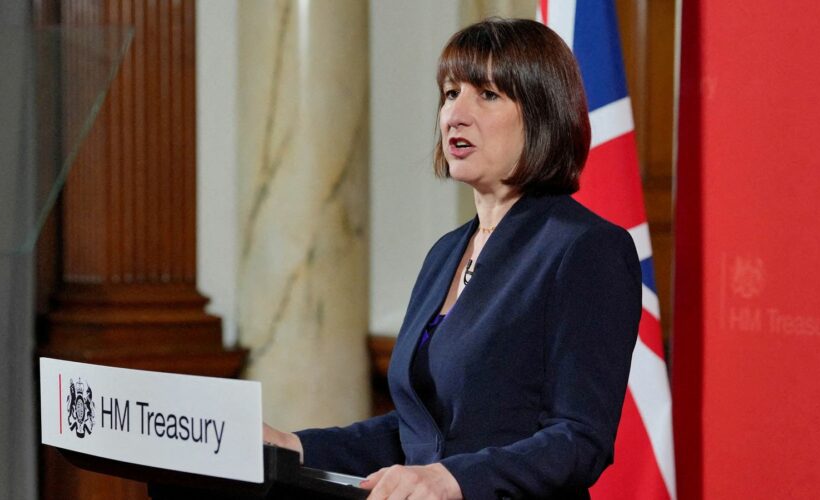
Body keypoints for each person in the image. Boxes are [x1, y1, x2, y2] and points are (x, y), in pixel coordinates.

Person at [264, 17, 641, 499]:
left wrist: (454, 479)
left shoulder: (585, 249)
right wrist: (293, 446)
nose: (455, 115)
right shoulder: (446, 252)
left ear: (543, 113)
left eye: (486, 95)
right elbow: (417, 432)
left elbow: (578, 438)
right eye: (449, 93)